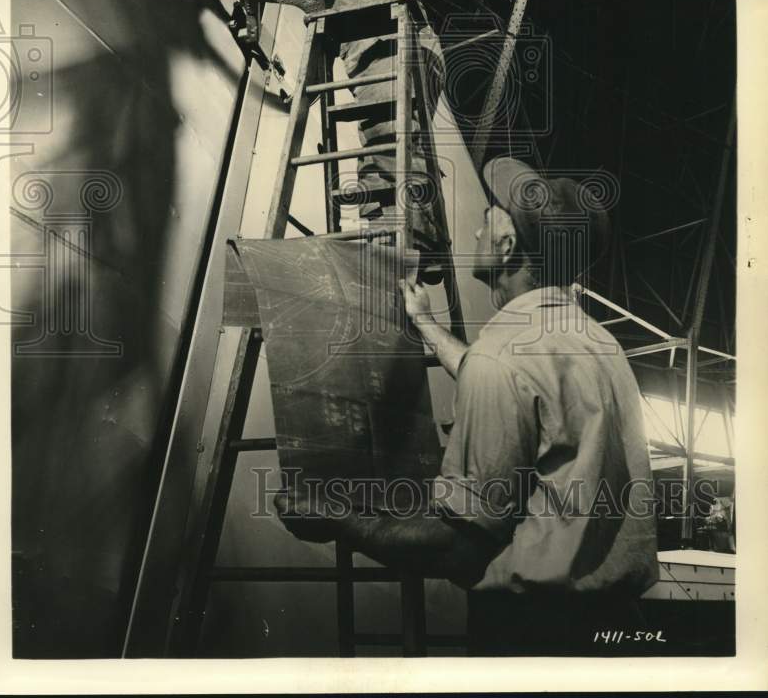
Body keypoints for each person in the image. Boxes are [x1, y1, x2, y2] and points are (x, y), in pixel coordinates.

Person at [273, 157, 660, 656]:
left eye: (490, 216)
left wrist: (337, 521)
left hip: (535, 640)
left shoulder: (501, 358)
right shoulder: (597, 343)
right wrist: (429, 327)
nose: (477, 226)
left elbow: (458, 548)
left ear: (507, 246)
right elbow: (524, 392)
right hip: (613, 629)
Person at [205, 0, 446, 261]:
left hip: (399, 49)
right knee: (380, 151)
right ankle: (392, 248)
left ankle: (417, 249)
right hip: (379, 54)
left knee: (392, 141)